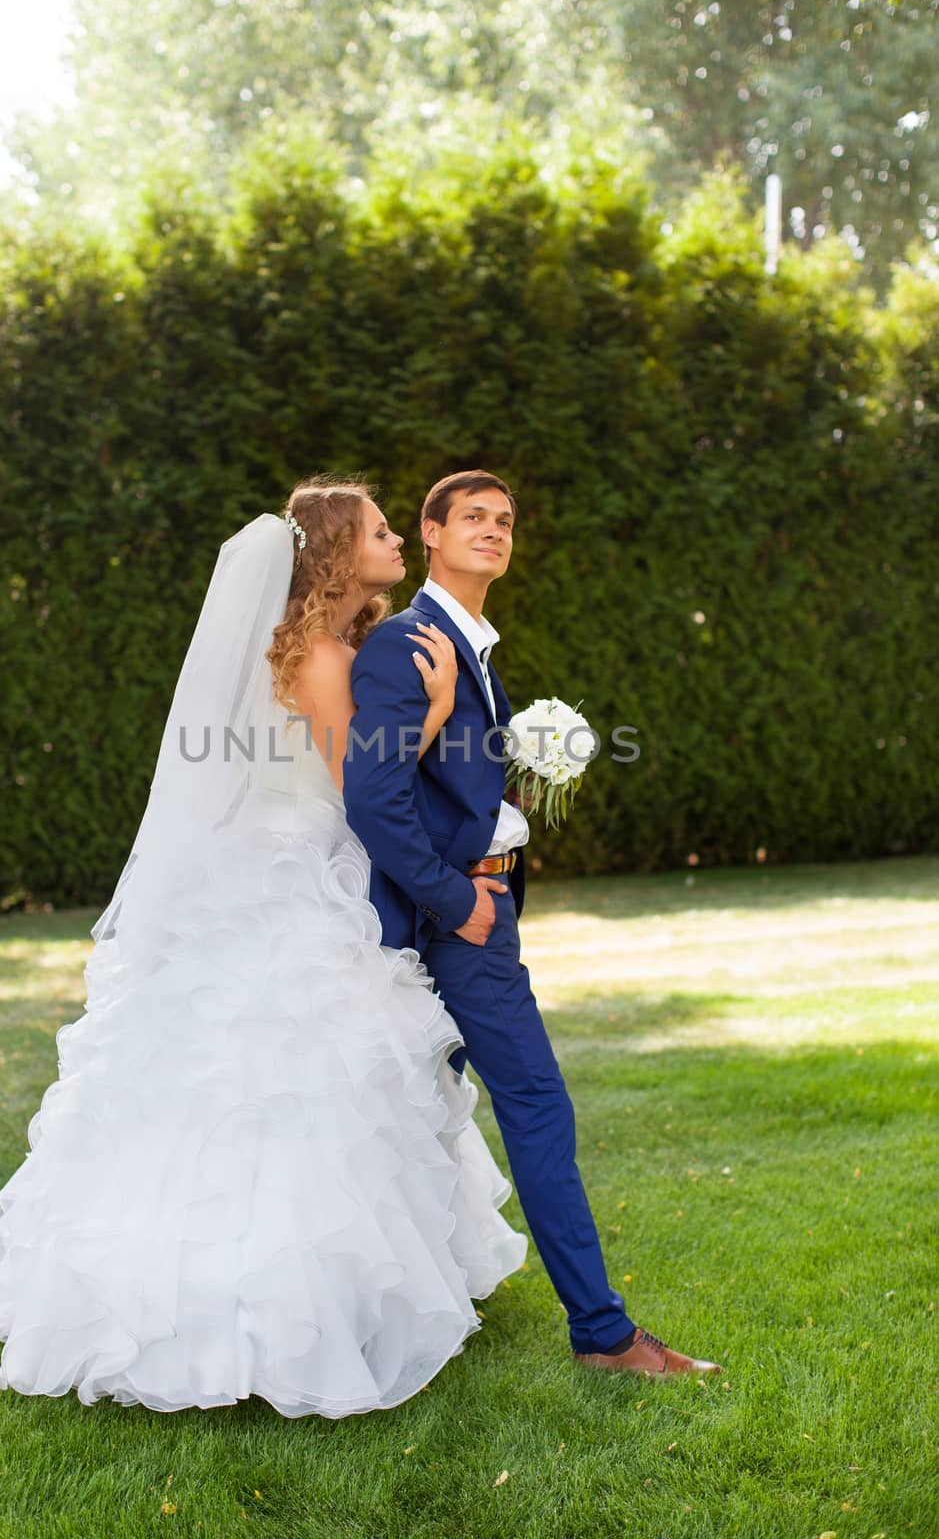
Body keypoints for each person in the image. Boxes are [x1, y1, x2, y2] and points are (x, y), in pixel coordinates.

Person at [0, 479, 528, 1417]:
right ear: (337, 553)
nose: (396, 544)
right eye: (382, 532)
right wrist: (431, 718)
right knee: (282, 1081)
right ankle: (253, 1318)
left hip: (307, 865)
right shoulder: (314, 655)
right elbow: (360, 779)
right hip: (293, 880)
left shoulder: (338, 644)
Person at [342, 468, 721, 1379]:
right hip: (457, 923)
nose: (493, 530)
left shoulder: (470, 646)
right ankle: (603, 1334)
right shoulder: (408, 646)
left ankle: (373, 1310)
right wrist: (458, 900)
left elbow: (440, 786)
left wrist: (514, 792)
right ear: (429, 534)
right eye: (471, 517)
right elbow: (373, 796)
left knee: (406, 1111)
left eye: (505, 520)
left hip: (484, 905)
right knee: (537, 1106)